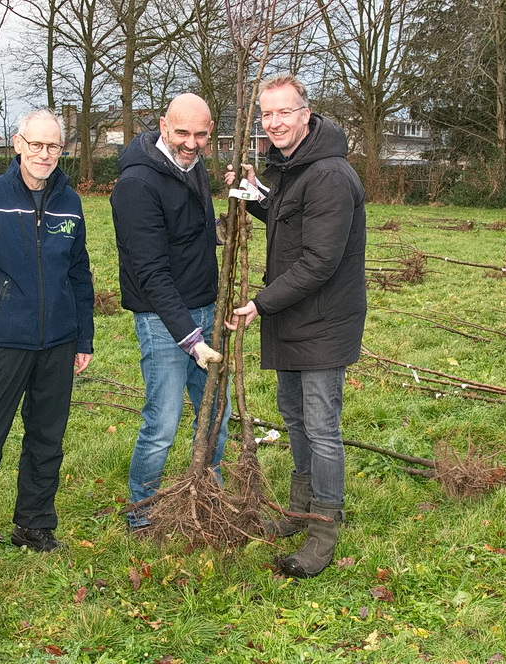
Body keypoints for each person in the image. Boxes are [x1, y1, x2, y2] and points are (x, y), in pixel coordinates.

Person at [0, 108, 95, 563]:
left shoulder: (70, 202)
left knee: (47, 438)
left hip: (59, 342)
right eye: (36, 145)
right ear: (18, 143)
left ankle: (34, 524)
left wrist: (83, 338)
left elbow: (80, 274)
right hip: (4, 340)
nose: (45, 155)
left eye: (54, 146)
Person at [225, 74, 366, 578]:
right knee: (295, 416)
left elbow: (320, 260)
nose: (275, 123)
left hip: (322, 320)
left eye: (285, 112)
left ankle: (324, 528)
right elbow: (290, 218)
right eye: (267, 114)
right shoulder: (295, 167)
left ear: (306, 114)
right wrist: (254, 195)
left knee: (321, 426)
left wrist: (260, 304)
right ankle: (301, 509)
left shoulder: (327, 173)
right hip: (295, 315)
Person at [110, 93, 231, 533]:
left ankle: (210, 492)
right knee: (163, 421)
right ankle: (142, 512)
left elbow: (186, 232)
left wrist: (221, 231)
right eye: (182, 133)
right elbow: (150, 272)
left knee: (217, 410)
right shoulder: (137, 184)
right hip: (164, 320)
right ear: (163, 126)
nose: (191, 143)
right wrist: (191, 339)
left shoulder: (193, 164)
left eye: (201, 134)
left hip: (206, 310)